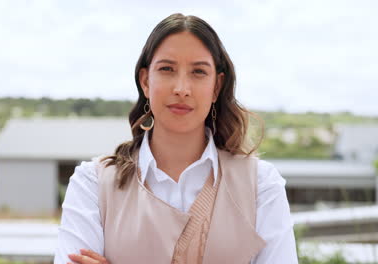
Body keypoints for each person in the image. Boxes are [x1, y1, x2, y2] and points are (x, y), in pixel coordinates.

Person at [54, 13, 298, 264]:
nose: (181, 88)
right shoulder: (92, 184)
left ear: (216, 87)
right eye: (167, 69)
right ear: (145, 81)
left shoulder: (261, 185)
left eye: (198, 72)